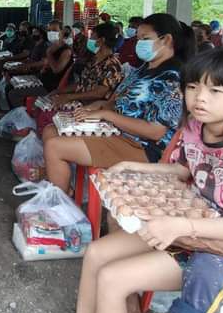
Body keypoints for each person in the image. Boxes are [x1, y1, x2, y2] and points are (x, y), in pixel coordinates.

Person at [73, 48, 223, 313]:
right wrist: (132, 166)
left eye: (216, 90)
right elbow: (184, 171)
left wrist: (180, 225)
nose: (200, 98)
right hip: (194, 225)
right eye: (192, 87)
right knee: (95, 253)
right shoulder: (194, 126)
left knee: (113, 278)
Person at [42, 13, 192, 192]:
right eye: (138, 39)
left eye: (145, 39)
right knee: (51, 130)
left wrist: (106, 114)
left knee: (55, 147)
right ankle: (65, 188)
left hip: (141, 146)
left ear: (166, 40)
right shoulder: (144, 69)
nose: (139, 44)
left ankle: (60, 203)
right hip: (116, 131)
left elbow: (155, 132)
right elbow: (118, 100)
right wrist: (99, 107)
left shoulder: (173, 78)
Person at [48, 22, 123, 109]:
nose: (89, 40)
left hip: (93, 110)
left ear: (101, 40)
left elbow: (99, 93)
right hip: (79, 104)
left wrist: (69, 97)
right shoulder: (93, 60)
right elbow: (82, 84)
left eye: (92, 37)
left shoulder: (112, 65)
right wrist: (59, 91)